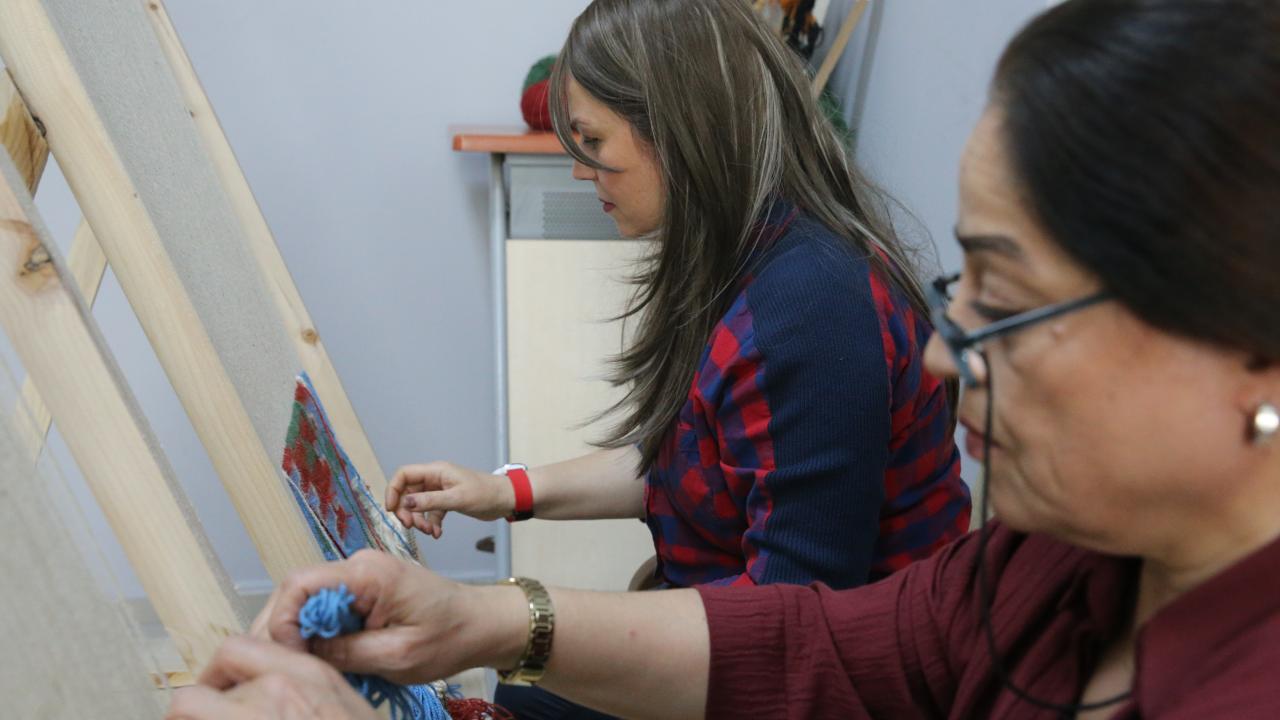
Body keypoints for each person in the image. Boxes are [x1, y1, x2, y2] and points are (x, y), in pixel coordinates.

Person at [170, 0, 1280, 717]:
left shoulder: (809, 305)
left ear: (1250, 344)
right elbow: (817, 640)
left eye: (1009, 300)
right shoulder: (1047, 565)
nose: (944, 358)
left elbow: (794, 609)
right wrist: (483, 610)